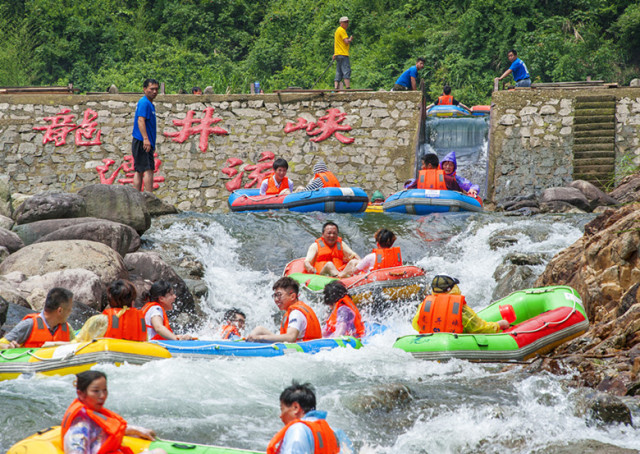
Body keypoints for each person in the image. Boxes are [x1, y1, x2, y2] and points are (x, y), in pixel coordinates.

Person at [62, 370, 165, 454]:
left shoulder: (91, 412)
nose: (102, 396)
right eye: (96, 391)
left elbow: (103, 429)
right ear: (81, 394)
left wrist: (136, 430)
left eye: (105, 390)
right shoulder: (79, 427)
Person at [267, 381, 352, 454]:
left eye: (282, 409)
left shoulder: (297, 430)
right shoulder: (335, 432)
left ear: (295, 408)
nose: (280, 415)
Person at [412, 275, 510, 334]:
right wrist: (499, 325)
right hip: (455, 343)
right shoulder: (460, 308)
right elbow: (479, 328)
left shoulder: (424, 305)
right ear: (451, 289)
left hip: (430, 343)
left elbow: (416, 325)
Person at [246, 277, 322, 343]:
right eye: (274, 296)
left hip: (304, 348)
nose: (276, 299)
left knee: (259, 335)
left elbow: (291, 337)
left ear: (292, 296)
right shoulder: (293, 311)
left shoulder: (296, 313)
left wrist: (260, 338)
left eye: (279, 295)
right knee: (259, 329)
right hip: (297, 344)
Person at [0, 287, 74, 349]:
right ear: (60, 310)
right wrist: (7, 346)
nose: (70, 313)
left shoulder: (67, 328)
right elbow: (2, 343)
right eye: (69, 310)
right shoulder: (29, 324)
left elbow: (77, 345)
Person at [75, 280, 147, 343]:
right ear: (133, 301)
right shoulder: (141, 321)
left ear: (110, 300)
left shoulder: (100, 320)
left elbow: (78, 343)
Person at [131, 78, 159, 193]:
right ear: (144, 89)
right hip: (142, 140)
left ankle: (138, 196)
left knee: (140, 170)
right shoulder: (144, 103)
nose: (154, 92)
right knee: (148, 169)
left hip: (144, 141)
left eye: (156, 89)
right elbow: (140, 120)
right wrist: (146, 139)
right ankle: (148, 197)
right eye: (151, 89)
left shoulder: (150, 104)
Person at [333, 17, 353, 90]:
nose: (347, 24)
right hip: (343, 54)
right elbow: (346, 41)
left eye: (347, 22)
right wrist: (350, 39)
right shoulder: (342, 30)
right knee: (346, 69)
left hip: (338, 54)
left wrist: (335, 53)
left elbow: (337, 43)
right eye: (345, 22)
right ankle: (348, 87)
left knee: (339, 70)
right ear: (341, 23)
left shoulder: (337, 30)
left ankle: (336, 87)